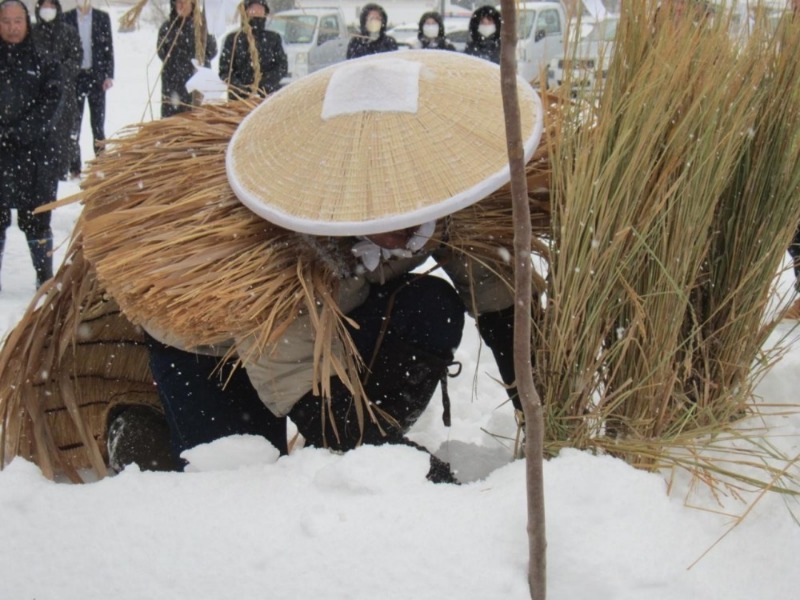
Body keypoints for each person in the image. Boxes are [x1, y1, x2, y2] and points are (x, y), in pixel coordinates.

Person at [101, 52, 541, 481]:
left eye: (409, 198)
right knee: (235, 470)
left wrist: (538, 407)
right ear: (344, 188)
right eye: (381, 205)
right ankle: (136, 432)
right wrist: (407, 469)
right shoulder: (279, 243)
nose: (404, 222)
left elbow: (496, 292)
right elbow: (296, 380)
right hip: (211, 340)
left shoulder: (445, 192)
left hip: (340, 309)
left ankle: (371, 435)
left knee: (430, 308)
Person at [0, 0, 62, 289]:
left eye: (17, 21)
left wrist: (25, 130)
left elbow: (52, 101)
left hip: (35, 154)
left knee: (37, 218)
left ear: (27, 22)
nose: (12, 28)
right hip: (1, 152)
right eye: (6, 21)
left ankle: (44, 278)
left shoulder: (43, 59)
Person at [32, 0, 82, 181]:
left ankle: (68, 169)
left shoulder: (68, 32)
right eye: (45, 6)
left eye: (51, 7)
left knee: (66, 134)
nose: (48, 10)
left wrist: (58, 73)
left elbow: (76, 58)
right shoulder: (32, 33)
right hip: (37, 93)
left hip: (64, 93)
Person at [63, 0, 113, 178]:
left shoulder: (102, 18)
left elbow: (109, 49)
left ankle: (101, 164)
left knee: (98, 124)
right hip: (75, 78)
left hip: (96, 77)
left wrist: (108, 75)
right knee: (73, 125)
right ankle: (74, 167)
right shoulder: (66, 18)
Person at [157, 0, 218, 118]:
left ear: (192, 5)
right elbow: (161, 52)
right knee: (172, 121)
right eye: (178, 2)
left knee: (197, 120)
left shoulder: (202, 26)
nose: (181, 6)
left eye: (185, 2)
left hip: (197, 84)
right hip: (173, 84)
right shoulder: (167, 28)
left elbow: (212, 51)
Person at [219, 0, 287, 98]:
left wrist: (264, 84)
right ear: (245, 12)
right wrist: (241, 88)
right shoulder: (234, 39)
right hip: (239, 100)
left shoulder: (273, 38)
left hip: (267, 97)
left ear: (265, 12)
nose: (256, 12)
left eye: (260, 9)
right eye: (253, 9)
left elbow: (282, 67)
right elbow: (225, 70)